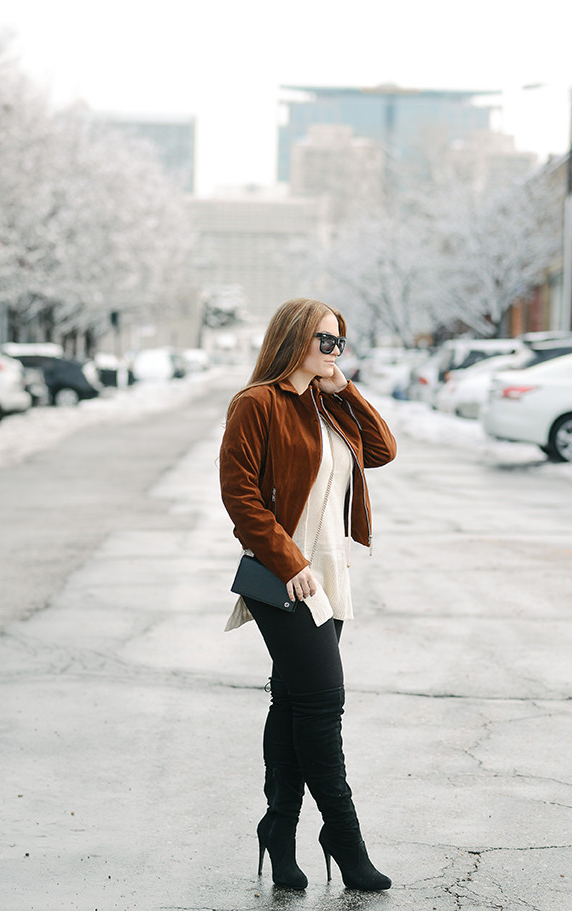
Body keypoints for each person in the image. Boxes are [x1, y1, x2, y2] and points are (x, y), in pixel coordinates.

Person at [219, 297, 397, 891]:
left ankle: (279, 829)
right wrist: (290, 561)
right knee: (323, 708)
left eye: (340, 341)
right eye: (325, 340)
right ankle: (345, 842)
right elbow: (240, 496)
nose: (334, 350)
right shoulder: (257, 404)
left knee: (293, 704)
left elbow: (383, 451)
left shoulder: (329, 405)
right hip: (284, 578)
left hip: (331, 576)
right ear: (295, 339)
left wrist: (346, 390)